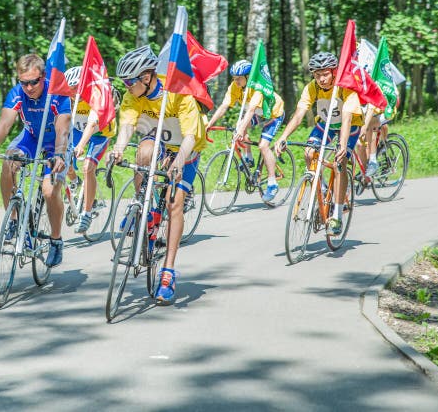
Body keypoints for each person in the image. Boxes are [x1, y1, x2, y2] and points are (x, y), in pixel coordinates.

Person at [108, 45, 207, 305]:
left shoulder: (178, 91)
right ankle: (143, 206)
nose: (126, 86)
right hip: (160, 140)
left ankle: (168, 272)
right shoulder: (134, 95)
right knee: (143, 150)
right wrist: (118, 149)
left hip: (187, 149)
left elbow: (189, 137)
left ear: (147, 77)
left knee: (174, 204)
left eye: (130, 81)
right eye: (124, 82)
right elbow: (128, 125)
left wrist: (179, 161)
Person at [0, 54, 71, 267]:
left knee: (48, 191)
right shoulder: (17, 93)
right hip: (31, 137)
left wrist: (60, 154)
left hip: (56, 144)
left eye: (33, 82)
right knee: (8, 161)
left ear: (43, 77)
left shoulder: (58, 93)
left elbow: (62, 130)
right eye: (24, 82)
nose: (28, 87)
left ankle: (56, 240)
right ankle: (15, 220)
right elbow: (5, 123)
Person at [274, 51, 364, 236]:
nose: (321, 79)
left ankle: (337, 215)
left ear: (333, 72)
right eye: (317, 74)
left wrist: (342, 145)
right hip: (326, 124)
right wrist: (283, 136)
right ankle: (321, 188)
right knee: (309, 152)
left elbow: (347, 119)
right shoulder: (311, 88)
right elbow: (298, 115)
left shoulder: (345, 86)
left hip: (350, 126)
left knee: (340, 163)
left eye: (325, 74)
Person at [205, 59, 286, 202]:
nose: (236, 82)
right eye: (234, 79)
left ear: (248, 77)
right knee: (240, 125)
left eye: (239, 79)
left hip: (273, 114)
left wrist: (240, 130)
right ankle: (249, 157)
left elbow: (250, 112)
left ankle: (272, 183)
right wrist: (210, 124)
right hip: (258, 113)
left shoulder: (258, 87)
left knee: (263, 145)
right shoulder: (234, 87)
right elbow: (224, 106)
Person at [64, 66, 117, 233]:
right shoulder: (67, 98)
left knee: (88, 167)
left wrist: (80, 146)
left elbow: (92, 123)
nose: (71, 92)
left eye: (74, 88)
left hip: (100, 132)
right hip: (78, 129)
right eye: (68, 88)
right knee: (63, 159)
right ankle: (74, 182)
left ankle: (86, 212)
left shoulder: (95, 95)